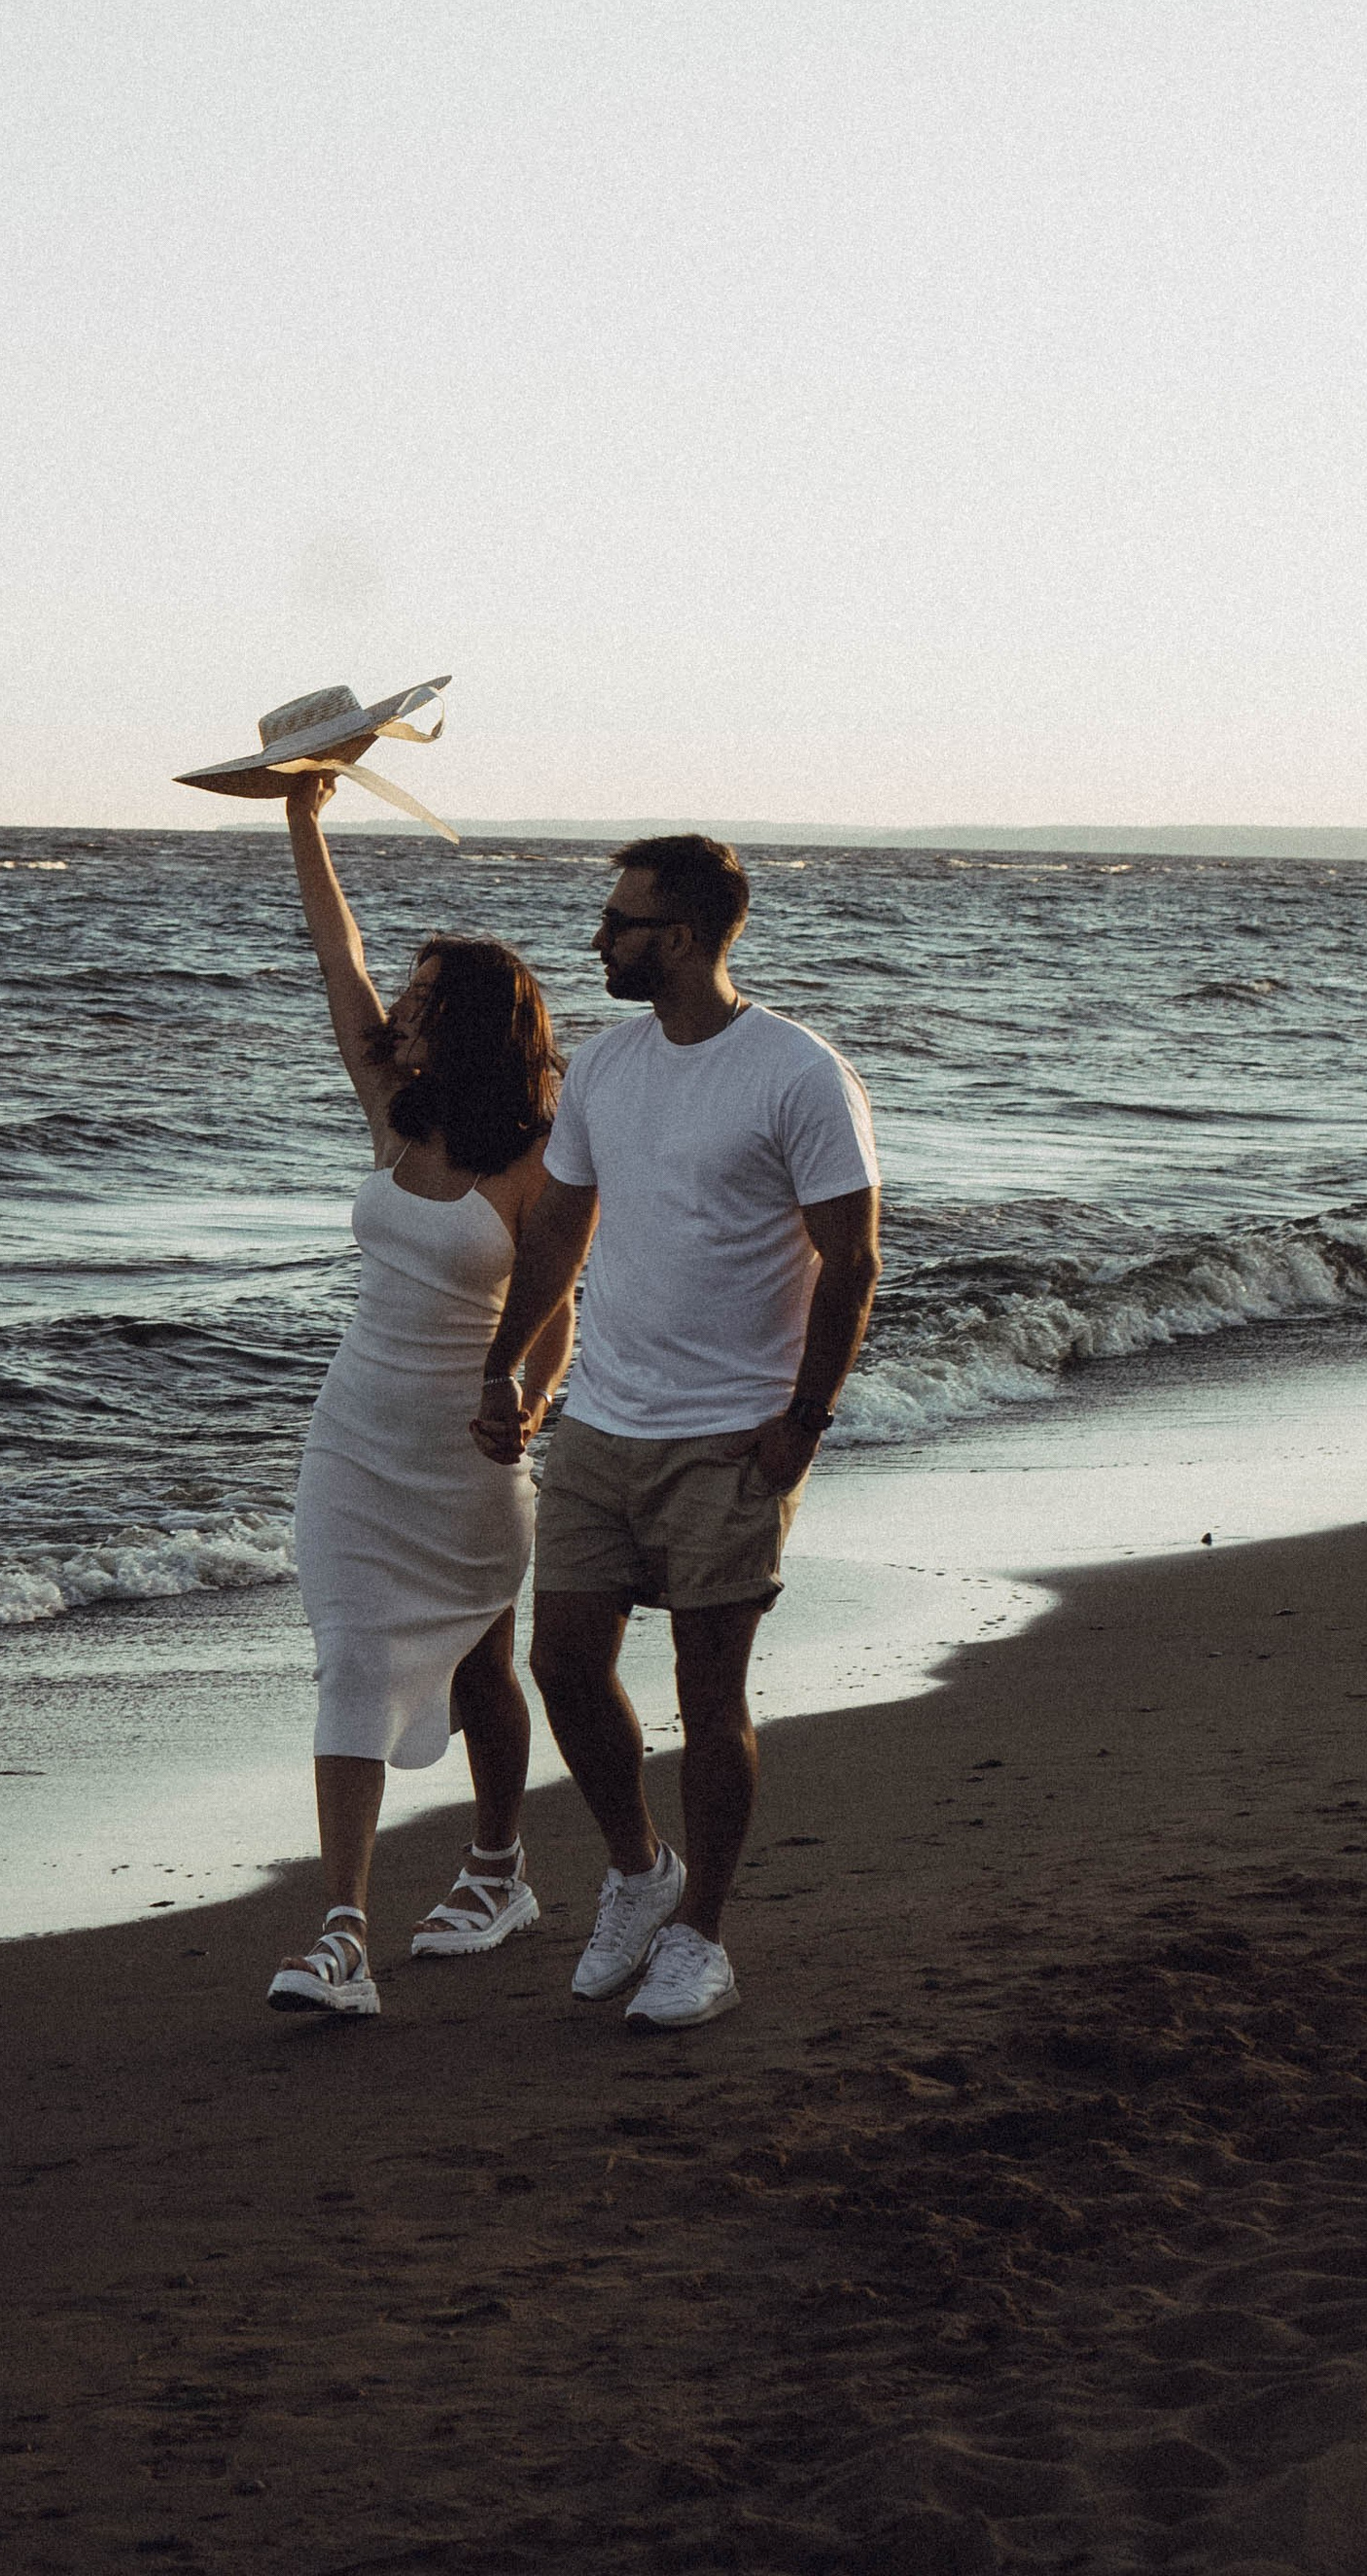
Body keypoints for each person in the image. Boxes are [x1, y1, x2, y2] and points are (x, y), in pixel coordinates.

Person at [472, 834, 880, 2031]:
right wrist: (507, 1366)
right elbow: (558, 1234)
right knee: (562, 1664)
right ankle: (639, 1873)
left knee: (712, 1696)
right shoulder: (605, 1069)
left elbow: (852, 1261)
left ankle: (704, 1933)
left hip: (733, 1433)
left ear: (685, 938)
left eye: (621, 921)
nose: (599, 939)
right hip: (603, 1415)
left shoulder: (797, 1073)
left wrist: (802, 1425)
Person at [264, 773, 576, 2021]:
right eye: (408, 992)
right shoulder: (396, 1115)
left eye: (428, 998)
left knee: (482, 1669)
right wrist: (302, 818)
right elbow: (331, 952)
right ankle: (342, 1929)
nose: (399, 1006)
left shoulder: (539, 1160)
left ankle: (497, 1868)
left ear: (486, 1027)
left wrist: (533, 1405)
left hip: (467, 1449)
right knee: (348, 1653)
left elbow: (554, 1308)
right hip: (353, 1434)